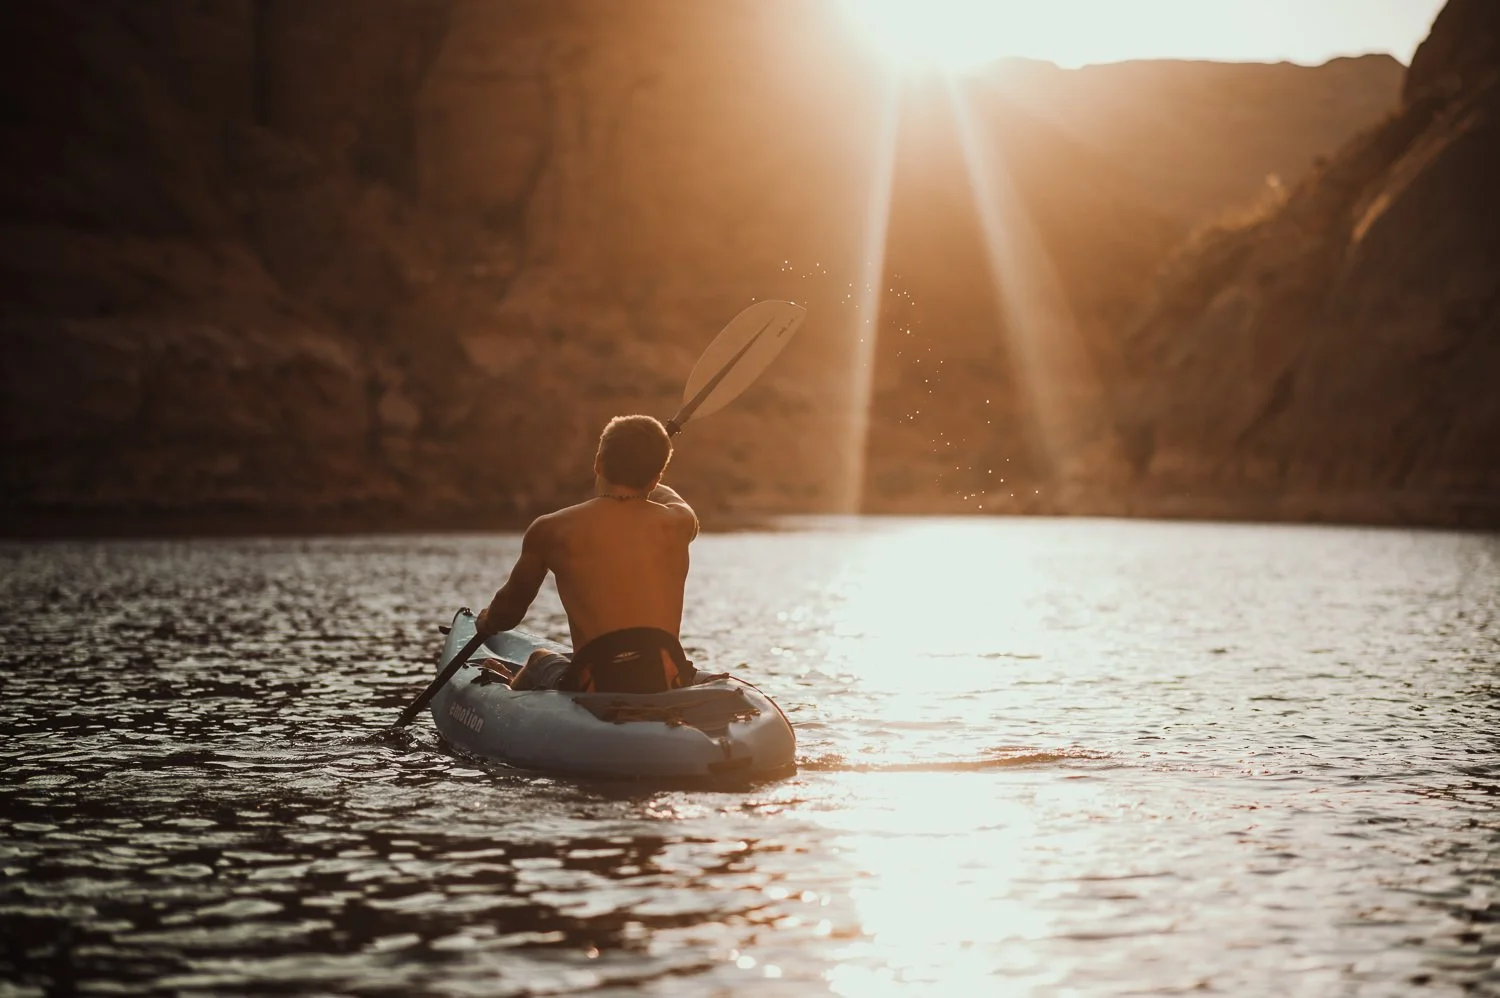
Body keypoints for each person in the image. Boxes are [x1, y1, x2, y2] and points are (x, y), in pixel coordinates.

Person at [473, 414, 699, 693]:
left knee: (537, 660)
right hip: (666, 675)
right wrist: (647, 470)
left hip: (596, 682)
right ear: (655, 479)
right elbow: (674, 499)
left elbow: (508, 613)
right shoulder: (678, 523)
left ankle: (509, 691)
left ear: (598, 464)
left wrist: (486, 621)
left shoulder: (551, 529)